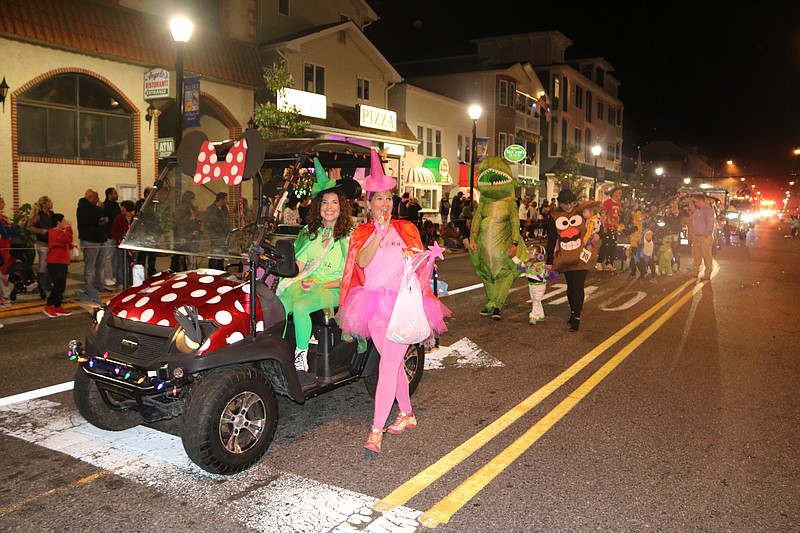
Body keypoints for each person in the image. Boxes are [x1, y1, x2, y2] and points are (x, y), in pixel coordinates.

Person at [337, 149, 450, 454]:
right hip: (371, 307)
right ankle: (407, 414)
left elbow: (419, 265)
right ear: (369, 203)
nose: (385, 203)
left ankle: (376, 431)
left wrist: (425, 259)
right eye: (379, 198)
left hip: (402, 306)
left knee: (387, 366)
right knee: (395, 363)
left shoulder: (407, 228)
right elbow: (360, 262)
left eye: (388, 197)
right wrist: (378, 234)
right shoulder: (361, 231)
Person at [277, 158, 353, 372]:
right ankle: (278, 351)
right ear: (318, 207)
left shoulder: (347, 237)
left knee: (301, 307)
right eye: (324, 203)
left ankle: (300, 358)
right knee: (280, 303)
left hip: (334, 288)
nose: (329, 208)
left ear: (341, 207)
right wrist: (287, 271)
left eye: (334, 203)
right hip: (310, 283)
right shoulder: (312, 234)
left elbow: (349, 277)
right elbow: (300, 264)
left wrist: (320, 286)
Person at [545, 189, 598, 332]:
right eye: (564, 203)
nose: (568, 207)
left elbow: (596, 225)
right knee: (571, 285)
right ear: (560, 203)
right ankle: (573, 312)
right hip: (566, 256)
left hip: (582, 255)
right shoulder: (554, 216)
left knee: (578, 284)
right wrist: (549, 260)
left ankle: (577, 317)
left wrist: (597, 237)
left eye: (570, 203)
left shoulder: (582, 213)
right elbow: (551, 240)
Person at [76, 189, 109, 299]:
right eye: (96, 197)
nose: (98, 199)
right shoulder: (83, 208)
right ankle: (88, 287)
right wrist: (100, 211)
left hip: (100, 239)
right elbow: (92, 219)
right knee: (90, 265)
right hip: (90, 240)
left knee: (101, 265)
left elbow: (103, 219)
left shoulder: (96, 208)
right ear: (90, 197)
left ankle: (100, 285)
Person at [42, 213, 74, 318]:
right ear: (58, 222)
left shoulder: (59, 233)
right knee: (57, 285)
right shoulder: (54, 232)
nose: (66, 222)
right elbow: (66, 239)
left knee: (62, 285)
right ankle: (49, 305)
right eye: (64, 221)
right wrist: (69, 229)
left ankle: (57, 305)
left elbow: (66, 243)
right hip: (55, 262)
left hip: (62, 262)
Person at [26, 195, 55, 298]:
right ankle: (40, 285)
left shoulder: (51, 214)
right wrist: (41, 231)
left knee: (50, 264)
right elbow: (29, 227)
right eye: (49, 202)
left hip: (51, 242)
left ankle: (48, 284)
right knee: (43, 264)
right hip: (42, 243)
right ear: (44, 204)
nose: (51, 203)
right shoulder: (39, 215)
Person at [0, 194, 26, 308]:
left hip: (5, 247)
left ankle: (4, 296)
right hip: (1, 247)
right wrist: (18, 226)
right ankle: (4, 297)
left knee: (4, 271)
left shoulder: (2, 217)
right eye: (2, 202)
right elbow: (6, 233)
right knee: (2, 272)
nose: (4, 204)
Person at [516, 244, 550, 325]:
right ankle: (540, 315)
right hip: (531, 284)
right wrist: (513, 257)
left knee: (536, 300)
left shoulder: (542, 265)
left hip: (539, 285)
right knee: (535, 300)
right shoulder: (528, 263)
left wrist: (548, 271)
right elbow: (520, 264)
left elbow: (547, 275)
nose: (529, 254)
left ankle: (533, 316)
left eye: (531, 253)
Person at [172, 190, 200, 272]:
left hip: (189, 234)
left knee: (190, 256)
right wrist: (190, 219)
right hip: (184, 235)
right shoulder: (182, 208)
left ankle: (190, 271)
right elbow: (178, 222)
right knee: (184, 257)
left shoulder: (189, 207)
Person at [689, 195, 715, 281]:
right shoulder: (697, 211)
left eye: (696, 201)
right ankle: (695, 271)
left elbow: (710, 222)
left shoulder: (708, 210)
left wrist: (707, 232)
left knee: (706, 255)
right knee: (696, 255)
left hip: (704, 236)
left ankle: (707, 273)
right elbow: (693, 221)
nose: (695, 203)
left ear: (701, 200)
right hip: (696, 236)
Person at [135, 187, 158, 278]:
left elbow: (156, 219)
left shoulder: (154, 205)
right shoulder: (140, 203)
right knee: (142, 255)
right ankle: (140, 275)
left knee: (152, 256)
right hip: (143, 232)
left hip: (152, 232)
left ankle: (151, 274)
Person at [111, 200, 136, 286]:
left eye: (123, 207)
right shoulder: (119, 218)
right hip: (121, 245)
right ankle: (121, 281)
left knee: (133, 264)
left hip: (133, 245)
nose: (121, 209)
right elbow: (114, 231)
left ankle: (133, 280)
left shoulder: (136, 218)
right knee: (121, 264)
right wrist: (119, 240)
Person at [203, 191, 230, 271]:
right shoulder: (211, 209)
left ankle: (220, 269)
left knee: (221, 255)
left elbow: (227, 220)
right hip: (215, 236)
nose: (226, 201)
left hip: (223, 235)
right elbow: (209, 223)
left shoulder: (224, 209)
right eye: (225, 199)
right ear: (221, 200)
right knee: (214, 254)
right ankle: (213, 269)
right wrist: (216, 233)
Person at [598, 187, 622, 271]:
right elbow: (604, 214)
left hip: (614, 227)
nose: (620, 194)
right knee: (605, 244)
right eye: (619, 192)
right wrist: (604, 226)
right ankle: (599, 261)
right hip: (607, 226)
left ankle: (609, 263)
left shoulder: (619, 204)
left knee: (612, 245)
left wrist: (618, 225)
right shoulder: (607, 202)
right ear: (614, 193)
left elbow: (617, 215)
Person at [101, 187, 121, 287]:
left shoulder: (116, 205)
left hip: (116, 235)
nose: (117, 195)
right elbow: (106, 220)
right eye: (115, 193)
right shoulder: (105, 206)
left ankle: (114, 276)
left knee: (115, 257)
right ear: (109, 195)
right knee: (107, 257)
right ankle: (107, 277)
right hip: (108, 234)